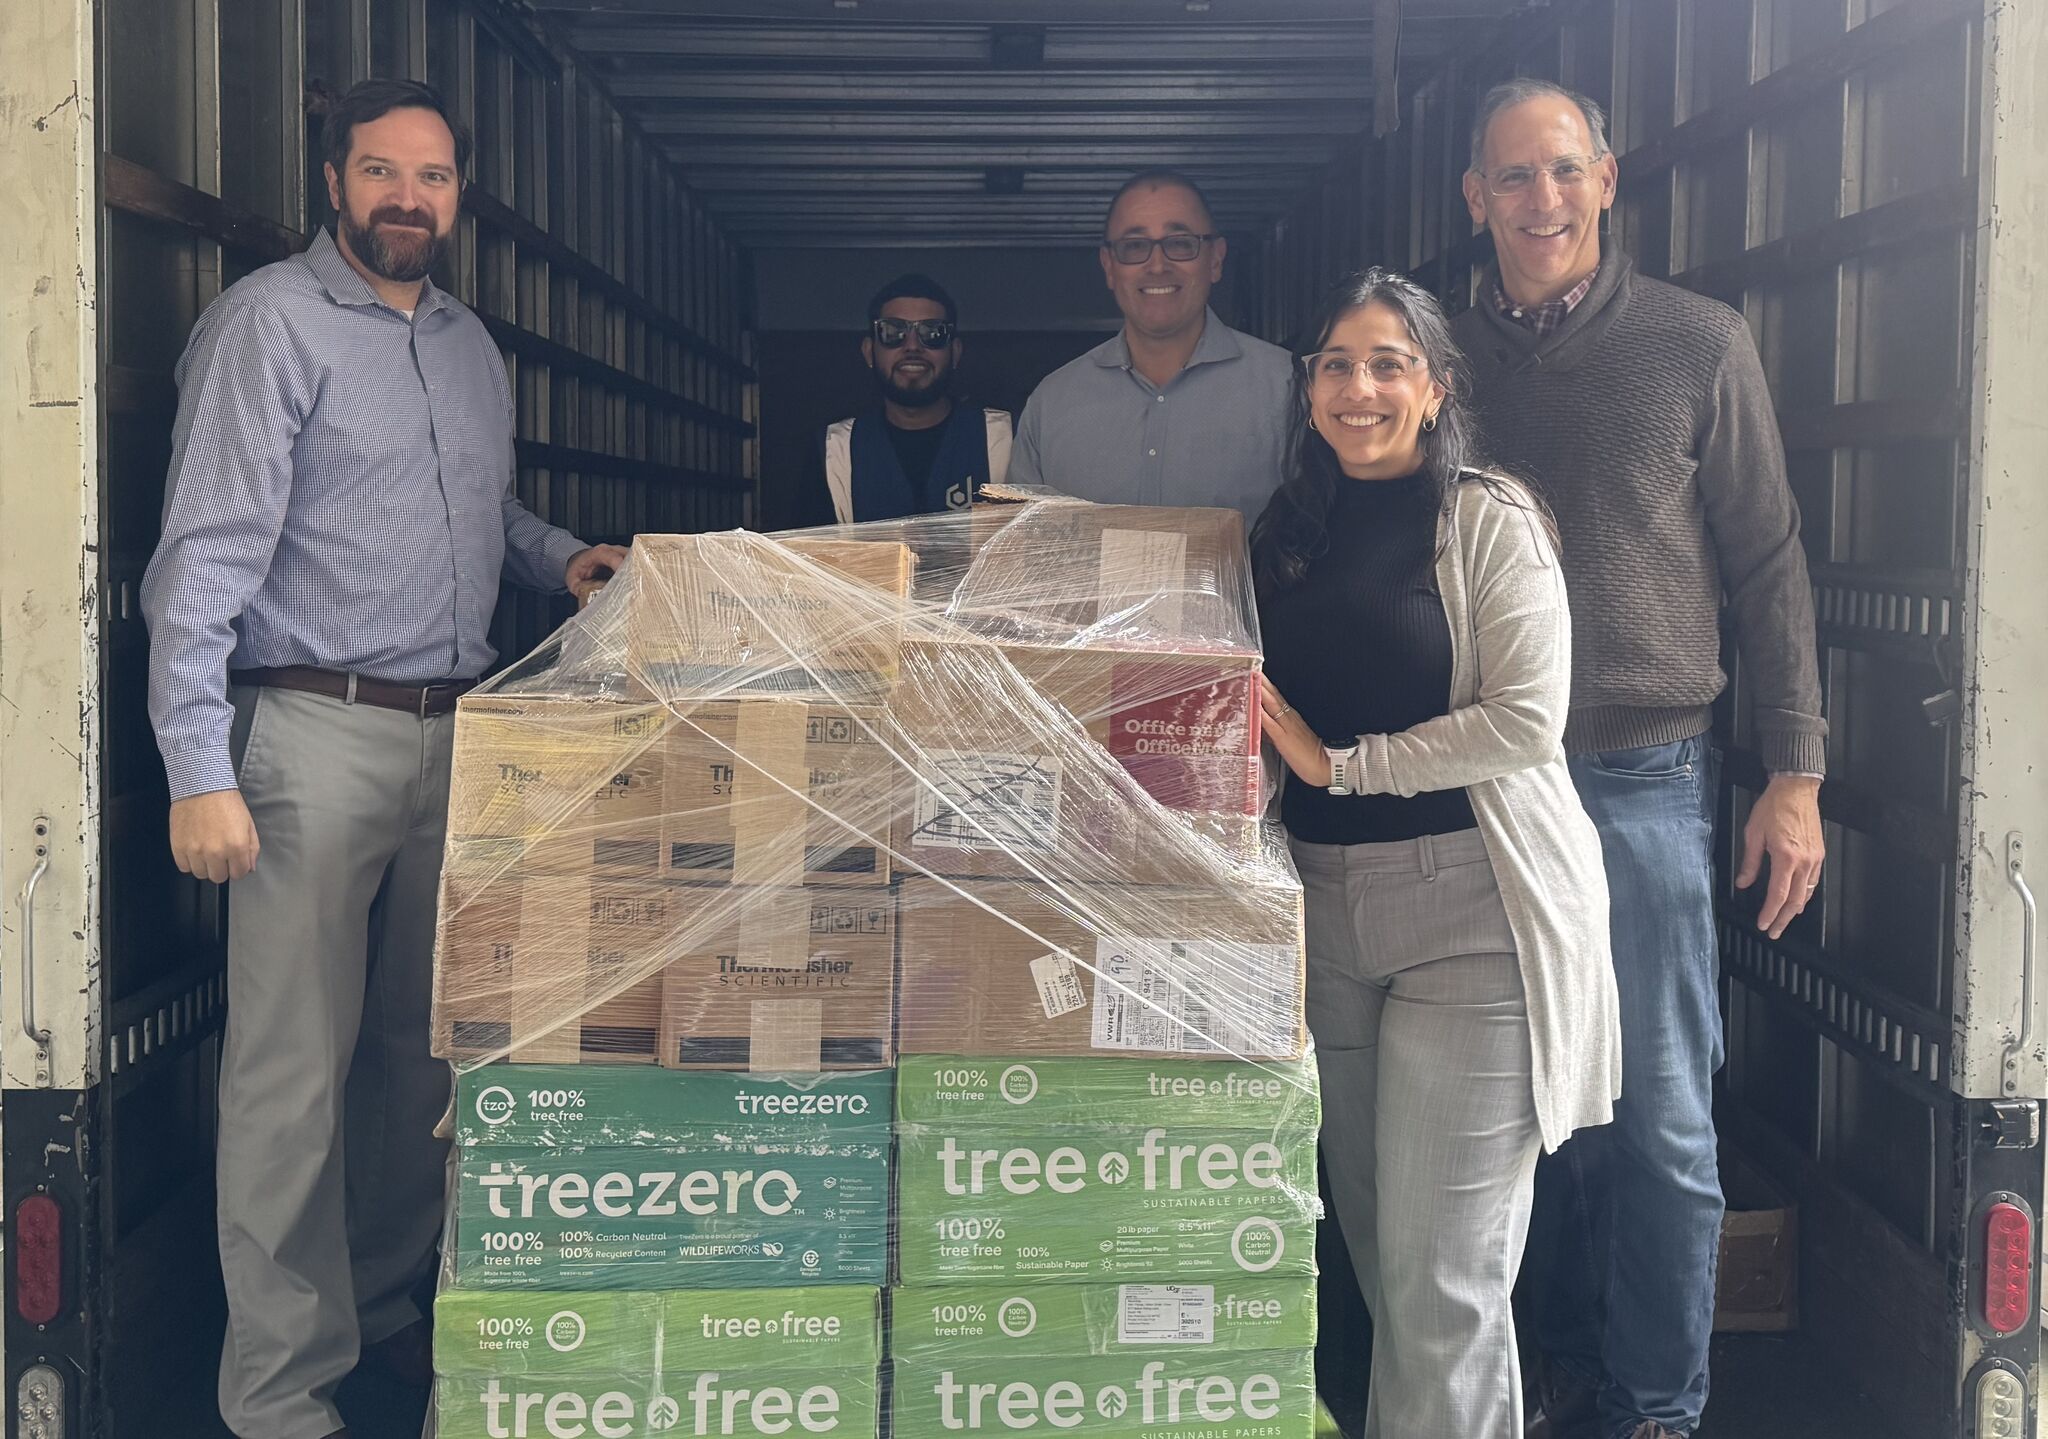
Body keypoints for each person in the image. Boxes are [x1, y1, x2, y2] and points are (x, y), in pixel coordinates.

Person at [139, 79, 627, 1439]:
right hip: (311, 738)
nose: (408, 197)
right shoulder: (269, 328)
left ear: (460, 195)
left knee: (423, 1060)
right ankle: (281, 1393)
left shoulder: (469, 344)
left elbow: (479, 504)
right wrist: (195, 762)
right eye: (380, 172)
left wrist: (558, 558)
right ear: (334, 184)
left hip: (454, 736)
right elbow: (203, 557)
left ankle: (384, 1312)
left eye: (432, 175)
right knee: (292, 1074)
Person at [1450, 79, 1827, 1439]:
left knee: (1661, 1114)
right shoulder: (1434, 357)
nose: (1539, 200)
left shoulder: (1696, 342)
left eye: (1563, 171)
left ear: (1607, 180)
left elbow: (1771, 558)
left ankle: (1658, 1405)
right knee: (1525, 1112)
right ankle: (1555, 1372)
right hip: (1478, 781)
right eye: (1511, 177)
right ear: (1475, 197)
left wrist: (1796, 771)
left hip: (1641, 778)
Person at [1255, 267, 1620, 1438]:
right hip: (1324, 913)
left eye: (1385, 363)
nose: (1355, 388)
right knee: (1376, 1255)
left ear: (1435, 386)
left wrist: (1337, 764)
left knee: (1442, 1277)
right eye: (1334, 363)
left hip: (1470, 911)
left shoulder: (1484, 517)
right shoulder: (1283, 529)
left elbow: (1524, 718)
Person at [1007, 168, 1291, 518]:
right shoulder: (1051, 404)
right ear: (1109, 266)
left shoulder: (1289, 390)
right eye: (1134, 246)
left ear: (1215, 260)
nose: (1157, 265)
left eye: (1180, 243)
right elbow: (1019, 555)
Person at [823, 273, 1012, 524]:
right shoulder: (836, 448)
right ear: (869, 351)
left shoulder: (1004, 437)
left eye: (933, 333)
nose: (912, 346)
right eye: (892, 331)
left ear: (955, 352)